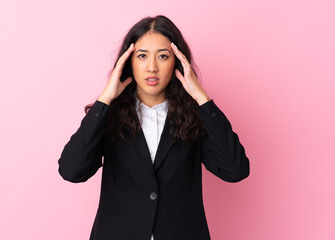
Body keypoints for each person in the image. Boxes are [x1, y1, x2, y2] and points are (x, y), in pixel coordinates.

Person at [58, 15, 250, 240]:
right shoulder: (110, 116)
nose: (152, 67)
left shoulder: (195, 116)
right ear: (128, 62)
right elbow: (71, 171)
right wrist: (105, 100)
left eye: (163, 56)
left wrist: (203, 100)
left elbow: (235, 170)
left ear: (177, 61)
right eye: (142, 56)